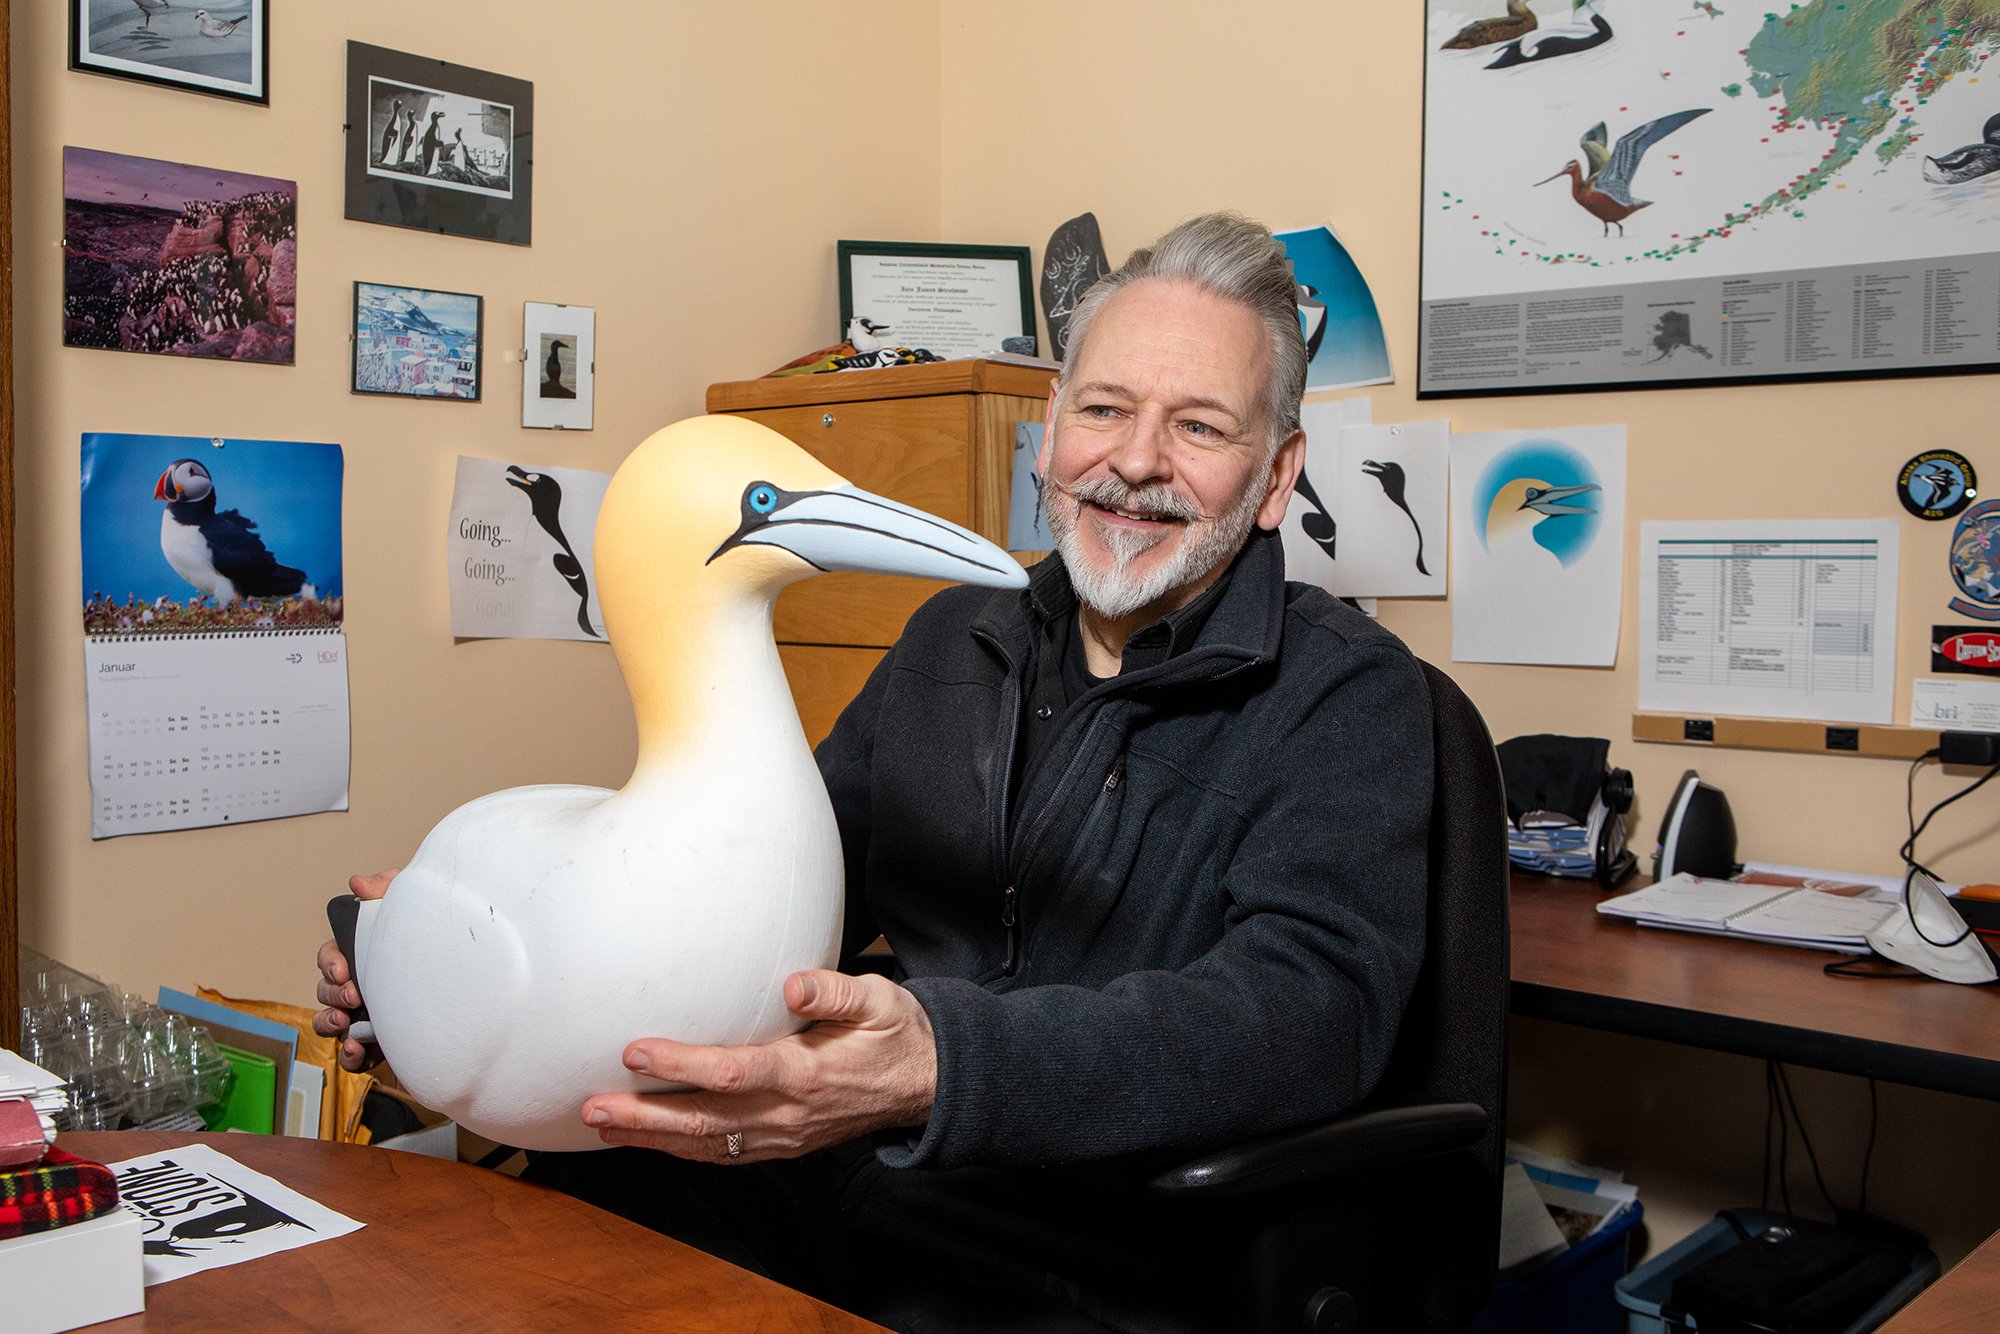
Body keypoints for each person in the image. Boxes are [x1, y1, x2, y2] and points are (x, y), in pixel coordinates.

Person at [315, 211, 1431, 1330]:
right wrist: (458, 967)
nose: (1134, 460)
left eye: (1197, 425)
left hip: (1101, 1240)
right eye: (1102, 408)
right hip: (857, 1167)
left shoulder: (1349, 698)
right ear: (1050, 428)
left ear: (1277, 474)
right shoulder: (954, 641)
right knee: (527, 1247)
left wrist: (941, 1064)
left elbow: (1306, 1013)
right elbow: (765, 890)